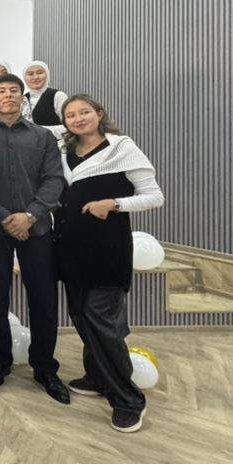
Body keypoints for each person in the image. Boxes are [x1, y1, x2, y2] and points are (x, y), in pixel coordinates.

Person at [55, 95, 164, 433]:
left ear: (99, 114)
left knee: (100, 318)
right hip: (71, 246)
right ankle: (97, 376)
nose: (78, 119)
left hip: (107, 248)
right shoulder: (64, 152)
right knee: (80, 315)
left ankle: (128, 400)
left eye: (84, 112)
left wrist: (113, 203)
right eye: (71, 115)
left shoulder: (122, 148)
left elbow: (154, 196)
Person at [0, 72, 69, 404]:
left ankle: (45, 368)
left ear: (22, 98)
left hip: (37, 229)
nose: (9, 95)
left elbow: (54, 180)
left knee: (43, 300)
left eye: (14, 91)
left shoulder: (43, 137)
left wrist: (29, 215)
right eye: (1, 91)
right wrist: (4, 217)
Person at [22, 60, 68, 137]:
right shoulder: (22, 99)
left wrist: (39, 131)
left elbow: (69, 126)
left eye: (40, 73)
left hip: (54, 143)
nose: (35, 77)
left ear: (47, 75)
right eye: (30, 74)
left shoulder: (58, 96)